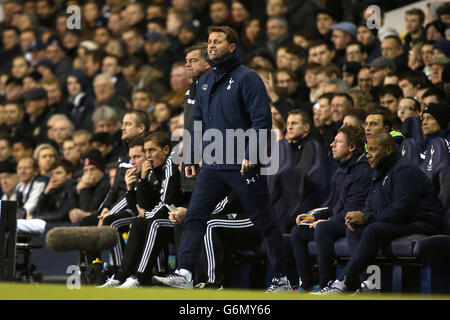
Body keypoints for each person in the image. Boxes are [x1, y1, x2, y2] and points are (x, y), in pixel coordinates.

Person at [152, 26, 291, 292]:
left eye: (217, 41)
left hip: (242, 164)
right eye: (210, 41)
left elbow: (262, 120)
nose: (211, 45)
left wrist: (252, 153)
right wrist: (192, 155)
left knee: (265, 222)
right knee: (194, 215)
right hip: (214, 164)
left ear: (232, 47)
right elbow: (199, 121)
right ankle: (185, 273)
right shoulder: (204, 81)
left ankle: (281, 278)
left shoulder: (248, 78)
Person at [315, 133, 444, 294]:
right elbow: (372, 206)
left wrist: (366, 218)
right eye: (368, 149)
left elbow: (401, 211)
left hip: (422, 222)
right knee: (354, 229)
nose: (368, 154)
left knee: (373, 229)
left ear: (388, 149)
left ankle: (343, 282)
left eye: (373, 150)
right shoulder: (378, 171)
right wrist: (360, 217)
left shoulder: (405, 171)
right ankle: (369, 285)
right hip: (404, 220)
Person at [291, 125, 372, 291]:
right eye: (333, 141)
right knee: (298, 232)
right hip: (338, 220)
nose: (331, 145)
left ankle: (324, 285)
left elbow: (351, 210)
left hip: (356, 223)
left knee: (323, 228)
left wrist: (325, 220)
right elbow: (334, 206)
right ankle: (306, 285)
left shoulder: (363, 171)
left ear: (351, 147)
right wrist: (312, 216)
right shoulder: (340, 172)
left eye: (338, 142)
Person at [99, 132, 182, 288]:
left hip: (182, 219)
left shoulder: (171, 163)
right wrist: (139, 183)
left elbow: (167, 202)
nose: (148, 156)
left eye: (152, 150)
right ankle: (120, 276)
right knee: (140, 222)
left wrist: (147, 214)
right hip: (166, 217)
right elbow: (142, 205)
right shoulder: (153, 170)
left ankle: (140, 276)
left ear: (166, 150)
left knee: (152, 222)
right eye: (146, 151)